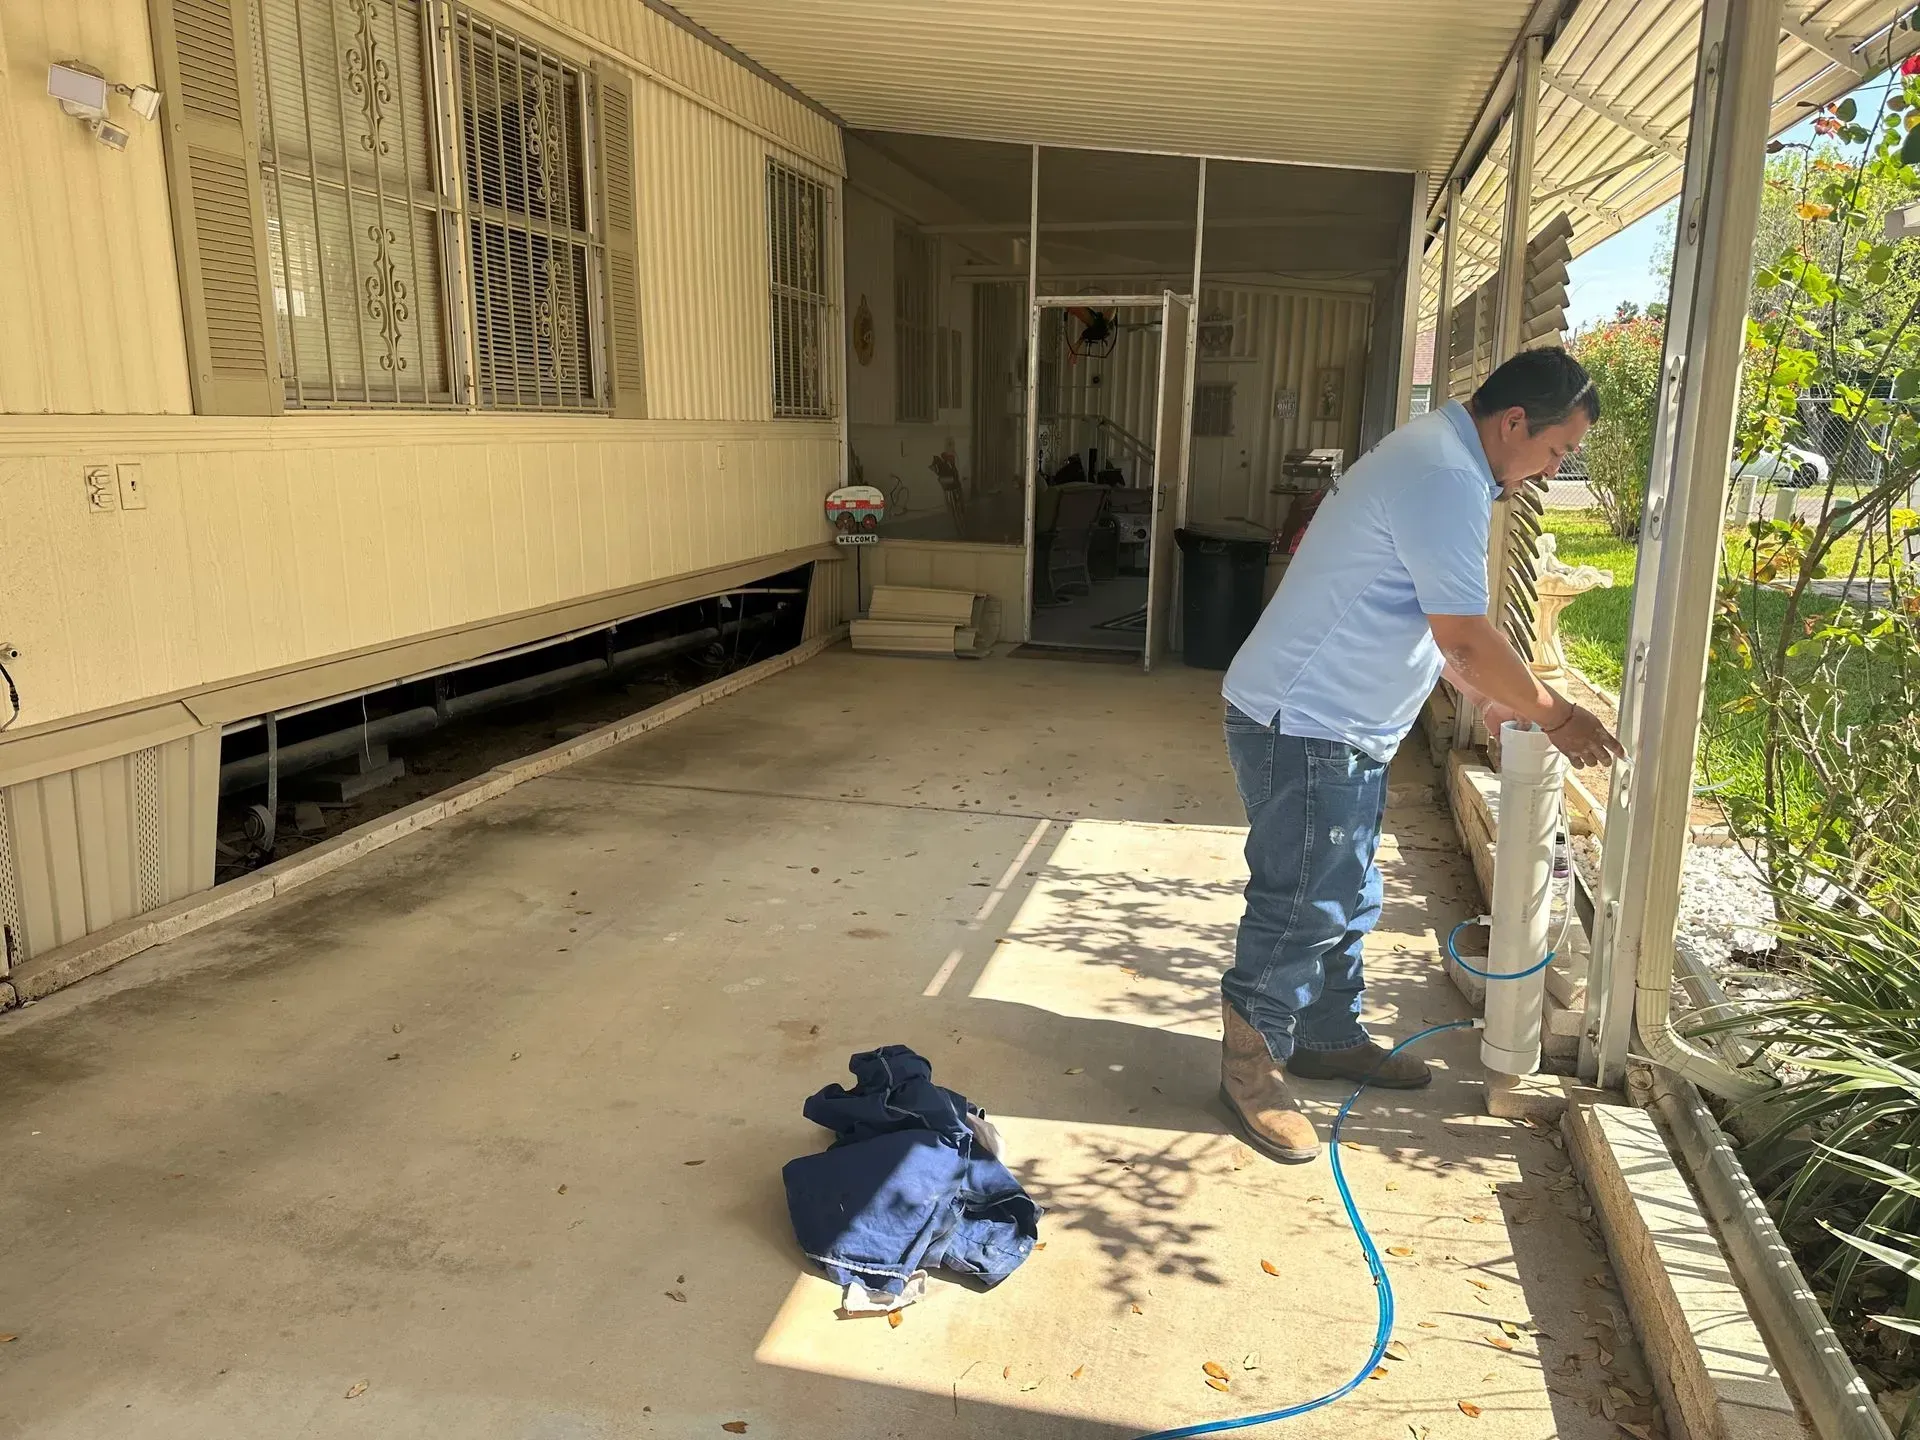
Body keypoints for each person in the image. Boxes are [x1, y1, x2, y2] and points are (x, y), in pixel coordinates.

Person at [1216, 349, 1624, 1163]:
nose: (1551, 470)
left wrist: (1485, 695)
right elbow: (1468, 635)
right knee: (1304, 902)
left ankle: (1327, 1034)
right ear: (1515, 423)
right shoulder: (1442, 474)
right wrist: (1557, 715)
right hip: (1308, 722)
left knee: (1349, 889)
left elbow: (1418, 613)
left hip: (1341, 723)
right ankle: (1249, 1069)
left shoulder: (1440, 458)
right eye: (1554, 452)